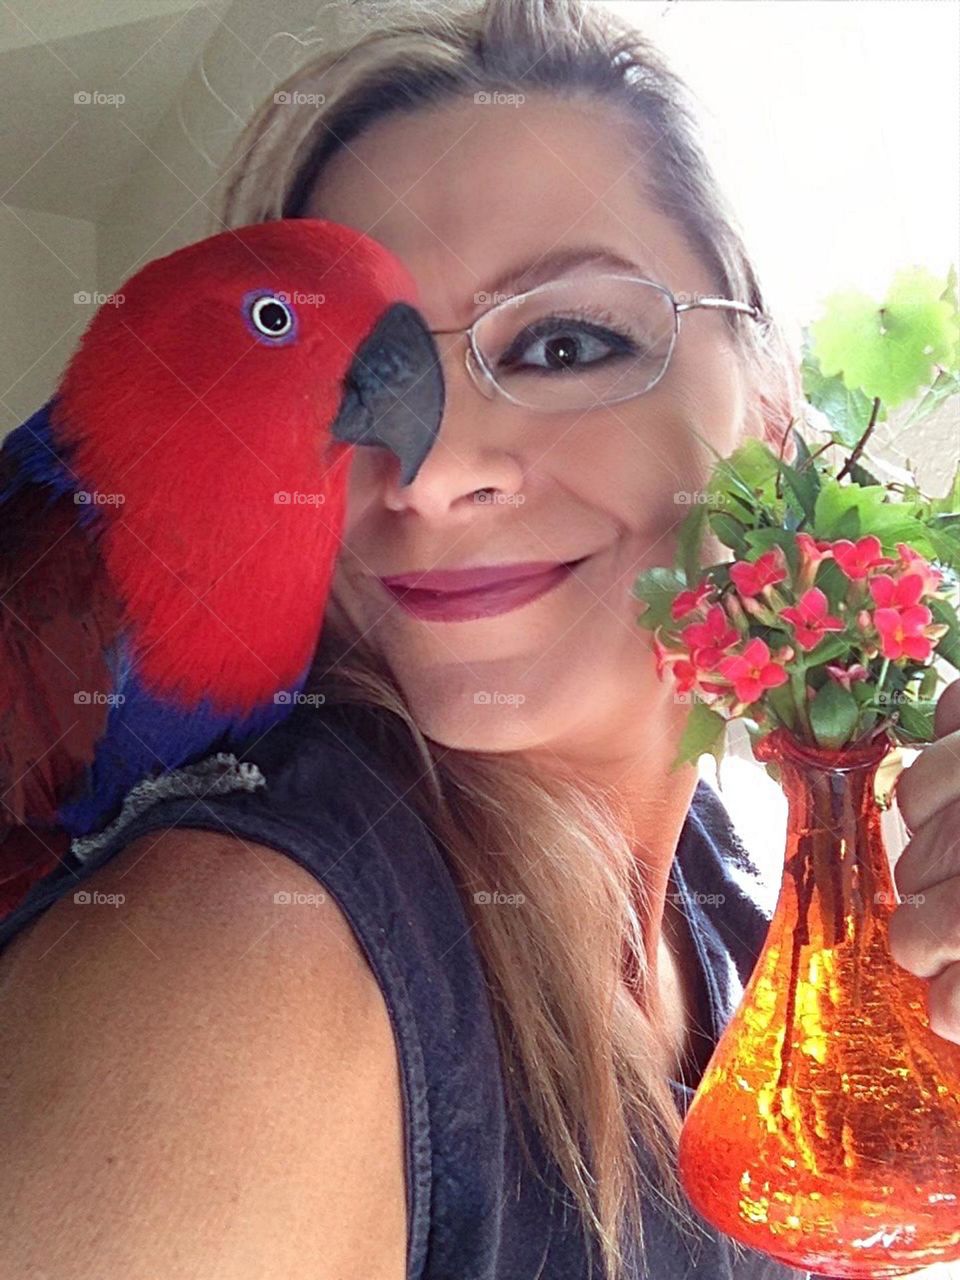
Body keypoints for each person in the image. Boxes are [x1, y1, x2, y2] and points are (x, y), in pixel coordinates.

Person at [2, 2, 958, 1278]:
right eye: (372, 399)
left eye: (565, 342)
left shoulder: (736, 897)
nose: (432, 472)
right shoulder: (241, 957)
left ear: (772, 409)